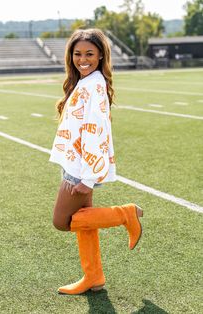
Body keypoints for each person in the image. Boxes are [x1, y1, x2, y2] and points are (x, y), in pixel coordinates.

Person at [49, 28, 143, 295]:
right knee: (85, 222)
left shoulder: (95, 85)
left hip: (81, 169)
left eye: (89, 53)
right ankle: (94, 276)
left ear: (101, 55)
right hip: (75, 164)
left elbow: (96, 131)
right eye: (77, 54)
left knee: (62, 221)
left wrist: (88, 179)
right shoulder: (85, 81)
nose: (83, 59)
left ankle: (126, 215)